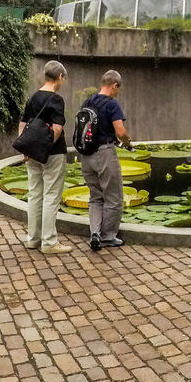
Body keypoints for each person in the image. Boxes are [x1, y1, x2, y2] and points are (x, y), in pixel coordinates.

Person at [17, 60, 73, 254]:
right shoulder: (56, 99)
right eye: (63, 79)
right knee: (51, 196)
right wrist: (43, 149)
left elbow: (23, 125)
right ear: (59, 77)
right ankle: (49, 242)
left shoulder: (32, 97)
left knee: (34, 194)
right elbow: (57, 129)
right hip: (53, 153)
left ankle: (33, 239)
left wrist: (27, 150)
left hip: (31, 153)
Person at [80, 69, 134, 250]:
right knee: (114, 197)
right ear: (114, 85)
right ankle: (108, 236)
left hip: (86, 155)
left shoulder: (87, 102)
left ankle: (95, 232)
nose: (118, 92)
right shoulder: (112, 104)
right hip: (104, 154)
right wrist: (127, 142)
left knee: (95, 197)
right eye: (118, 88)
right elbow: (120, 132)